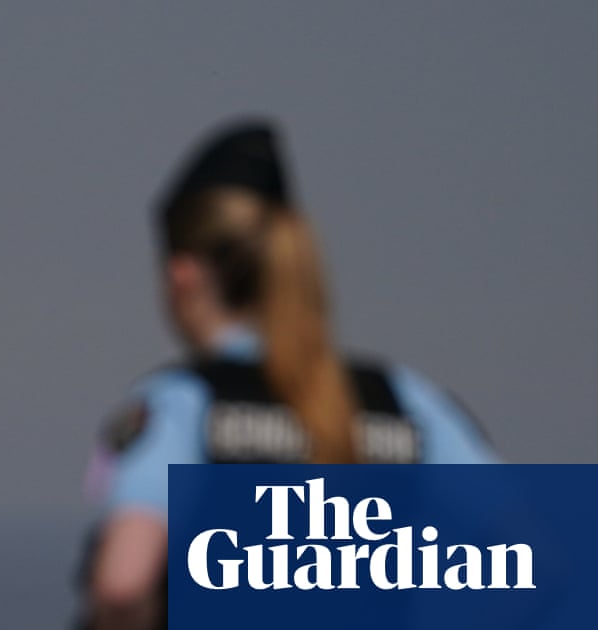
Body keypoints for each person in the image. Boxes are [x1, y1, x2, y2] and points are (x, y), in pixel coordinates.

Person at [75, 119, 499, 630]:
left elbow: (123, 584)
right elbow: (534, 565)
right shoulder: (405, 402)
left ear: (181, 273)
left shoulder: (183, 404)